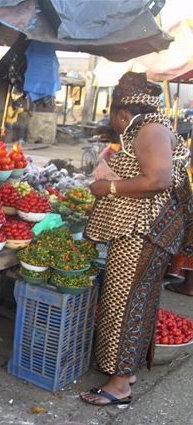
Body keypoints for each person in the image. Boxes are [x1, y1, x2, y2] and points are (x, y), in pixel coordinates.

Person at [83, 72, 193, 406]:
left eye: (113, 118)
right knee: (137, 300)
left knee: (124, 301)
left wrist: (108, 187)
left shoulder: (148, 129)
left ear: (121, 113)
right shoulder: (154, 127)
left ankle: (119, 386)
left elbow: (157, 179)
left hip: (144, 233)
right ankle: (126, 372)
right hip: (147, 231)